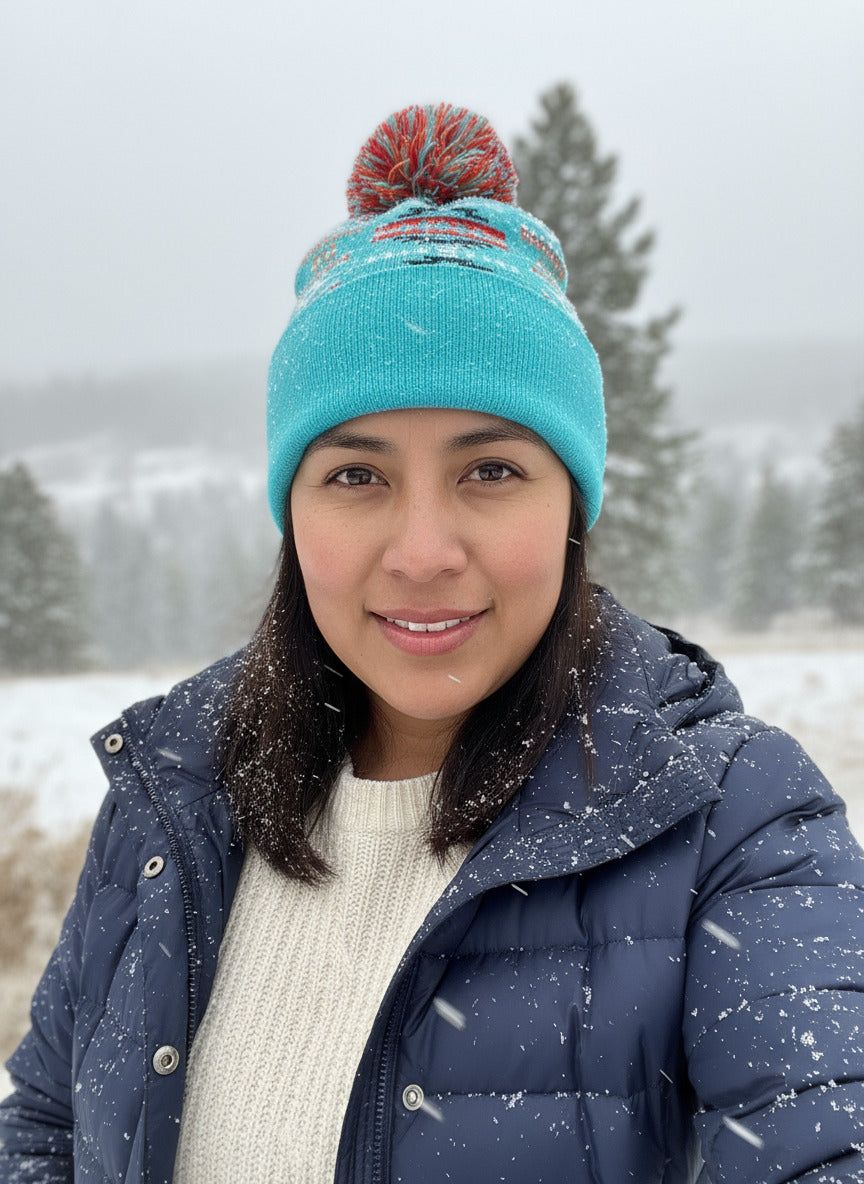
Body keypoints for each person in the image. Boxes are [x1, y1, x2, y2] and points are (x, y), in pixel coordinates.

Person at [2, 103, 863, 1184]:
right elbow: (43, 1129)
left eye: (490, 470)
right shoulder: (174, 797)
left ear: (571, 506)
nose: (420, 550)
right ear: (292, 511)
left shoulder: (735, 824)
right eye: (357, 475)